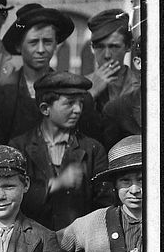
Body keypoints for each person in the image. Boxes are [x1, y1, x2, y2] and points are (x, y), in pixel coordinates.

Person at [0, 3, 100, 144]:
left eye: (47, 41)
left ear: (56, 44)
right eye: (33, 42)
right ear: (18, 46)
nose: (41, 49)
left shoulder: (78, 97)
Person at [8, 71, 109, 231]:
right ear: (45, 109)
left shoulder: (93, 149)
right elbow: (12, 199)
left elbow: (105, 206)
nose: (78, 110)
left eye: (80, 103)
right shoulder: (19, 147)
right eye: (69, 103)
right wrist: (55, 184)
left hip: (78, 247)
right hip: (32, 244)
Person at [85, 9, 140, 113]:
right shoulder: (81, 87)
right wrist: (91, 93)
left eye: (114, 47)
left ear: (129, 46)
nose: (107, 55)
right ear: (92, 47)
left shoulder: (141, 85)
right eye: (100, 47)